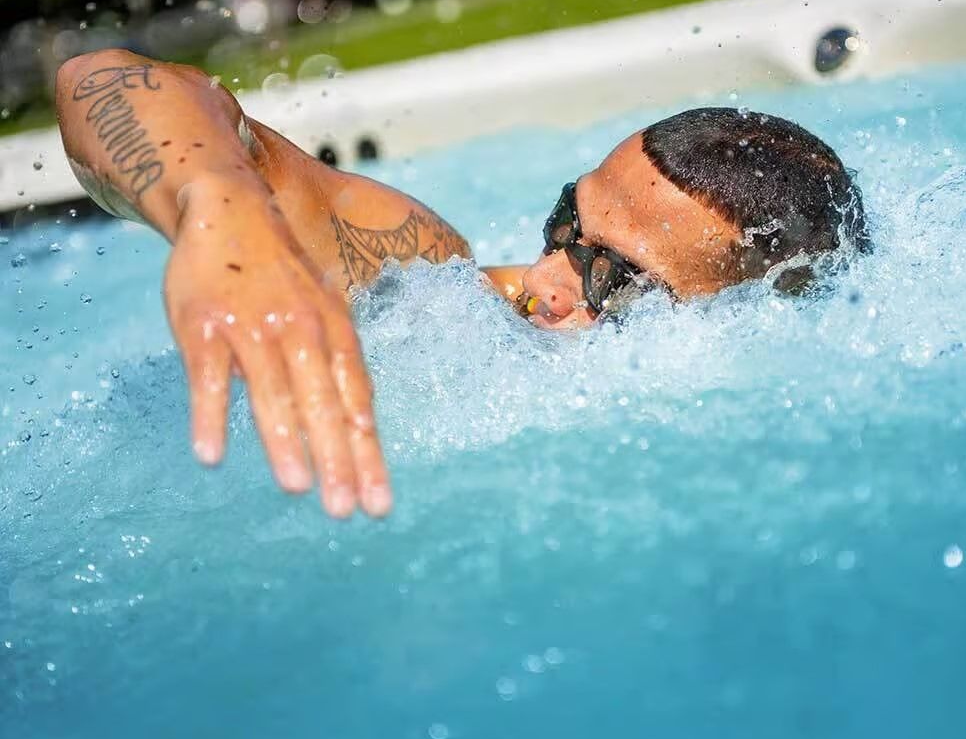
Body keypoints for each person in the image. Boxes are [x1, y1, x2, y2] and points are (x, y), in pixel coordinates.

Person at [54, 48, 867, 518]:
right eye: (565, 224)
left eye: (617, 282)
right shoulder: (420, 284)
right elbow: (103, 79)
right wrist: (219, 201)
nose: (547, 282)